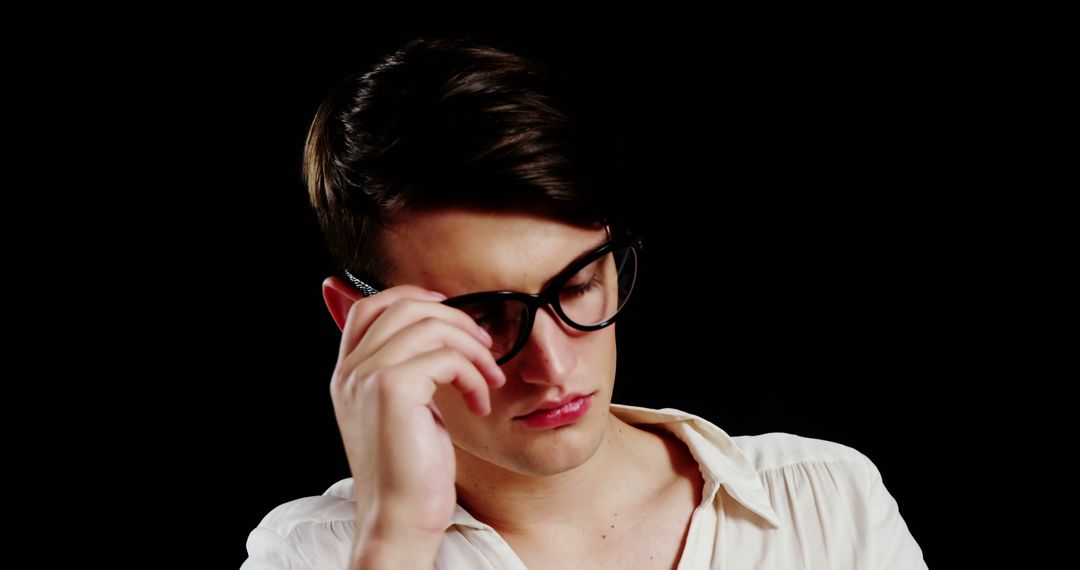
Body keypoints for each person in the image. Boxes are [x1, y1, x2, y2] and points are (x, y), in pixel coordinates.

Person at [241, 36, 927, 569]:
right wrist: (396, 537)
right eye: (481, 316)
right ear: (359, 323)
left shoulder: (826, 502)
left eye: (576, 286)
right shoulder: (314, 556)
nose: (550, 365)